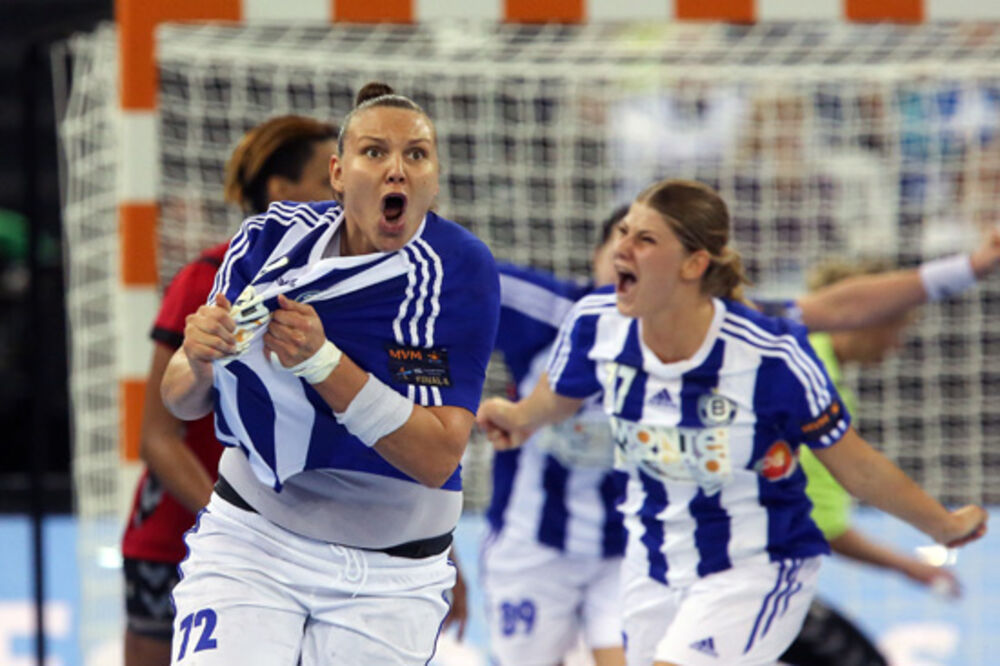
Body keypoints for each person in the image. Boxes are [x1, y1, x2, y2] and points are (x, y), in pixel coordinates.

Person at [477, 178, 986, 666]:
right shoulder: (594, 323)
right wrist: (519, 418)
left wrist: (941, 523)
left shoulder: (770, 352)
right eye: (622, 233)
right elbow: (560, 396)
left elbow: (858, 467)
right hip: (653, 563)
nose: (621, 249)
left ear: (694, 263)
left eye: (644, 238)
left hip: (752, 564)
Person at [160, 82, 500, 666]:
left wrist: (324, 364)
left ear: (435, 179)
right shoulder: (271, 238)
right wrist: (193, 358)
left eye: (416, 155)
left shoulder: (457, 271)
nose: (397, 169)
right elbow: (181, 401)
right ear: (338, 173)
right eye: (375, 152)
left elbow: (438, 457)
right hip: (254, 537)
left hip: (390, 569)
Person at [121, 114, 338, 666]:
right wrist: (238, 521)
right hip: (178, 537)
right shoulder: (210, 277)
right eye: (326, 179)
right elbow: (157, 438)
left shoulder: (345, 286)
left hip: (295, 540)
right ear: (280, 193)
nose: (341, 190)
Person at [780, 259, 962, 666]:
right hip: (745, 574)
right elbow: (823, 524)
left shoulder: (805, 359)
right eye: (896, 328)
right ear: (865, 316)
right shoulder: (812, 377)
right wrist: (924, 547)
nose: (897, 344)